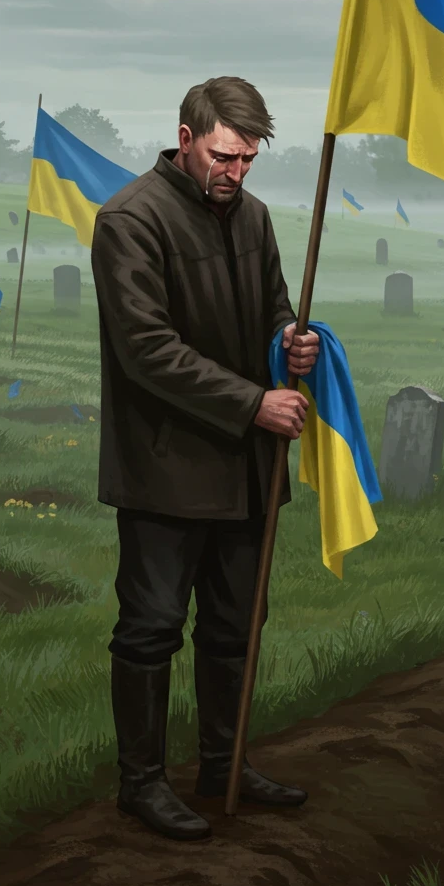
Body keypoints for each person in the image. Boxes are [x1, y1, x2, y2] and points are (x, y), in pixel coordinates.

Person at [91, 76, 321, 842]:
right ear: (186, 138)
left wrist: (294, 342)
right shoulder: (129, 219)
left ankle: (224, 768)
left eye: (249, 160)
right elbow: (146, 350)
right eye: (225, 156)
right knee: (151, 628)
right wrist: (254, 403)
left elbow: (274, 306)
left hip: (246, 469)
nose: (237, 174)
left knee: (236, 627)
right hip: (164, 467)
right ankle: (143, 785)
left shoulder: (252, 216)